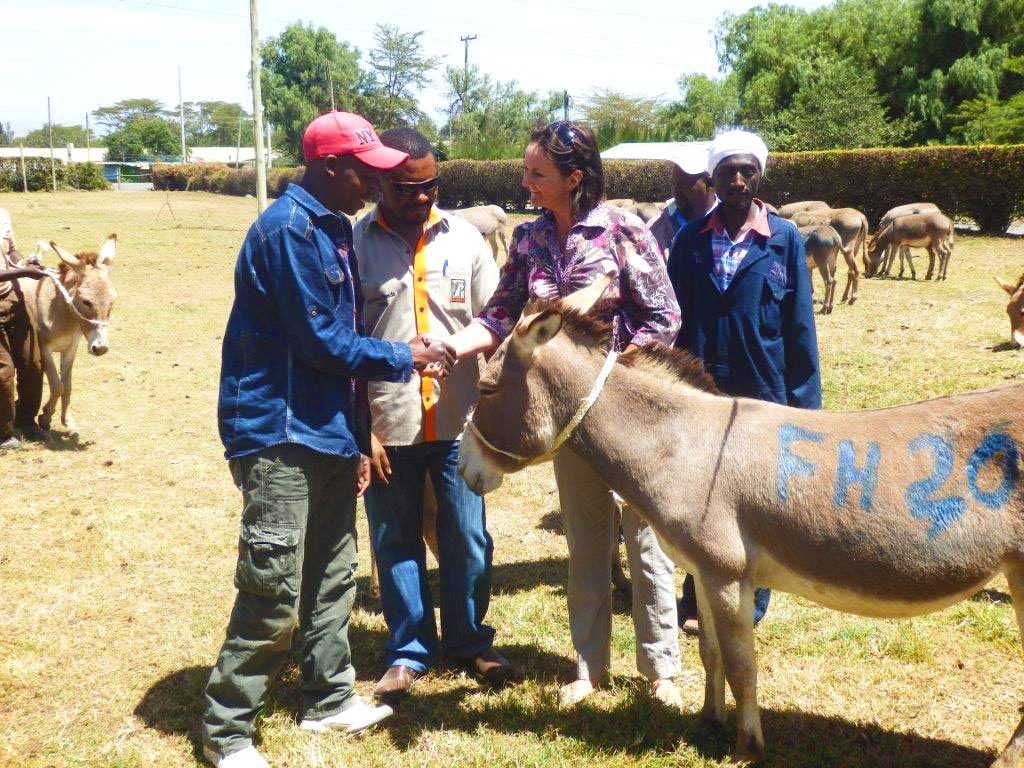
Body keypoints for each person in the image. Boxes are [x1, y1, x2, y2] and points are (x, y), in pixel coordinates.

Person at [202, 111, 456, 768]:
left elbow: (333, 345)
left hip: (327, 431)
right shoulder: (288, 231)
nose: (377, 185)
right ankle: (228, 729)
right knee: (275, 586)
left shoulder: (333, 228)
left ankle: (329, 698)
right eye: (366, 171)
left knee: (332, 577)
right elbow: (321, 341)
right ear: (331, 168)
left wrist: (356, 434)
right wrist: (406, 356)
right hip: (279, 433)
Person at [444, 121, 684, 709]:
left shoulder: (625, 229)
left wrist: (611, 375)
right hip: (565, 422)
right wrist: (457, 345)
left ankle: (662, 671)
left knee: (646, 543)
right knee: (586, 541)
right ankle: (589, 666)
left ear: (574, 178)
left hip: (629, 422)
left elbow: (664, 317)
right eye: (527, 171)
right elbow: (500, 312)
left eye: (537, 174)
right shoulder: (527, 239)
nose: (525, 182)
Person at [352, 127, 509, 702]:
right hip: (387, 423)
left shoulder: (466, 239)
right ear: (378, 183)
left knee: (468, 535)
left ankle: (469, 641)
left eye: (430, 186)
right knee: (395, 538)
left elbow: (497, 321)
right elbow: (342, 344)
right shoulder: (353, 243)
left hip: (460, 422)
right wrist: (361, 429)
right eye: (405, 188)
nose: (420, 198)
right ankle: (408, 650)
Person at [667, 129, 821, 633]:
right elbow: (675, 321)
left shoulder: (784, 238)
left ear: (759, 176)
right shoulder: (691, 240)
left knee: (759, 498)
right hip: (703, 388)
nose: (736, 178)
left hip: (764, 388)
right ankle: (697, 598)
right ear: (710, 177)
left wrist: (805, 407)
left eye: (746, 170)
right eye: (727, 170)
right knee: (702, 494)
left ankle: (750, 603)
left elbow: (800, 326)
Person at [0, 206, 46, 449]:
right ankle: (4, 433)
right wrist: (23, 271)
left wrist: (25, 262)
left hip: (14, 296)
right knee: (3, 373)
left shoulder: (2, 214)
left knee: (33, 362)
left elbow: (11, 250)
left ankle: (26, 421)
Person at [647, 145, 718, 258]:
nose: (676, 191)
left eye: (685, 184)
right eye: (674, 183)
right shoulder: (657, 226)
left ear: (710, 183)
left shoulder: (729, 224)